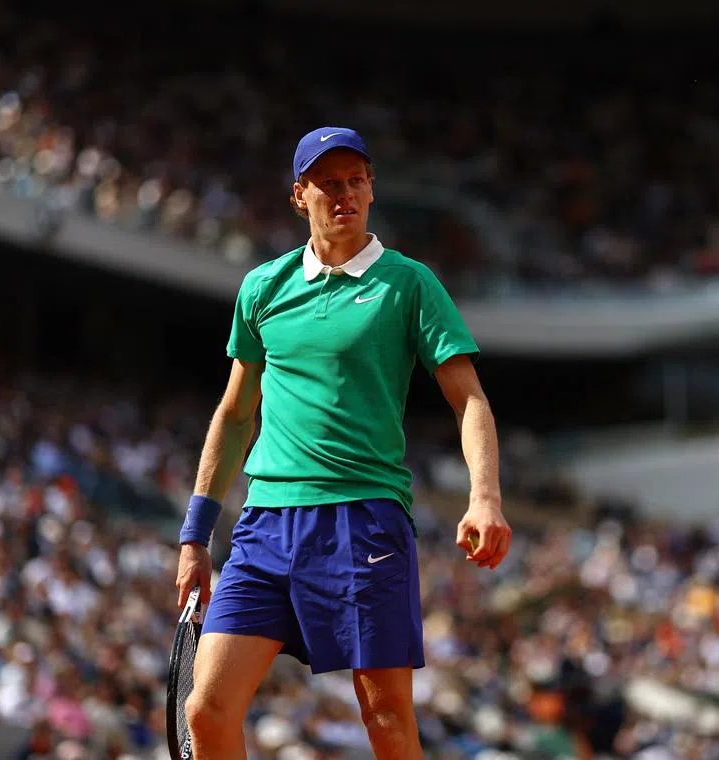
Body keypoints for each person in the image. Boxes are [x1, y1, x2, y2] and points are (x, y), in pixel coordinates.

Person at [174, 126, 512, 760]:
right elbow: (233, 413)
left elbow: (470, 400)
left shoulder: (410, 284)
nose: (345, 194)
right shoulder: (263, 287)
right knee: (207, 708)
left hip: (364, 522)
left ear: (371, 189)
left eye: (356, 180)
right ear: (299, 195)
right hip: (264, 527)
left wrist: (485, 497)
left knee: (386, 721)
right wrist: (196, 535)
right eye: (328, 183)